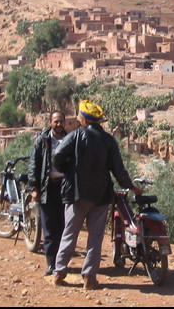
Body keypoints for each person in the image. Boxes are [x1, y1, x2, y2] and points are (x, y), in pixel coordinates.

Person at [51, 100, 143, 290]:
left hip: (77, 195)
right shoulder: (109, 141)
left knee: (69, 233)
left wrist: (68, 169)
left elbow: (57, 156)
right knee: (95, 238)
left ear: (84, 119)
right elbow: (119, 171)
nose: (77, 119)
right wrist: (131, 187)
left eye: (79, 117)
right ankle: (89, 277)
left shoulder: (76, 136)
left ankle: (59, 271)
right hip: (101, 196)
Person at [27, 110, 68, 277]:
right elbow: (33, 165)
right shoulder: (42, 141)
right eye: (55, 121)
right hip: (47, 188)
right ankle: (51, 264)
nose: (58, 124)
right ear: (50, 122)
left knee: (64, 227)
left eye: (61, 121)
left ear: (65, 122)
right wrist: (34, 188)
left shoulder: (70, 140)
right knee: (49, 227)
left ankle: (61, 263)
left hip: (65, 189)